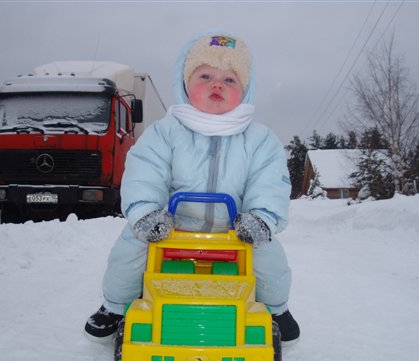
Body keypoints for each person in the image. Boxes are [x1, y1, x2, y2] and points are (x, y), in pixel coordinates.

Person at [84, 32, 300, 343]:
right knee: (130, 248)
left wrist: (261, 218)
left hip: (235, 229)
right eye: (206, 76)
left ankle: (276, 308)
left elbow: (269, 180)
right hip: (171, 226)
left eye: (230, 80)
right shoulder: (166, 132)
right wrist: (146, 213)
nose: (217, 85)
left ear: (246, 90)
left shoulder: (259, 139)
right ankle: (116, 305)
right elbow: (145, 171)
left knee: (269, 258)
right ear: (185, 83)